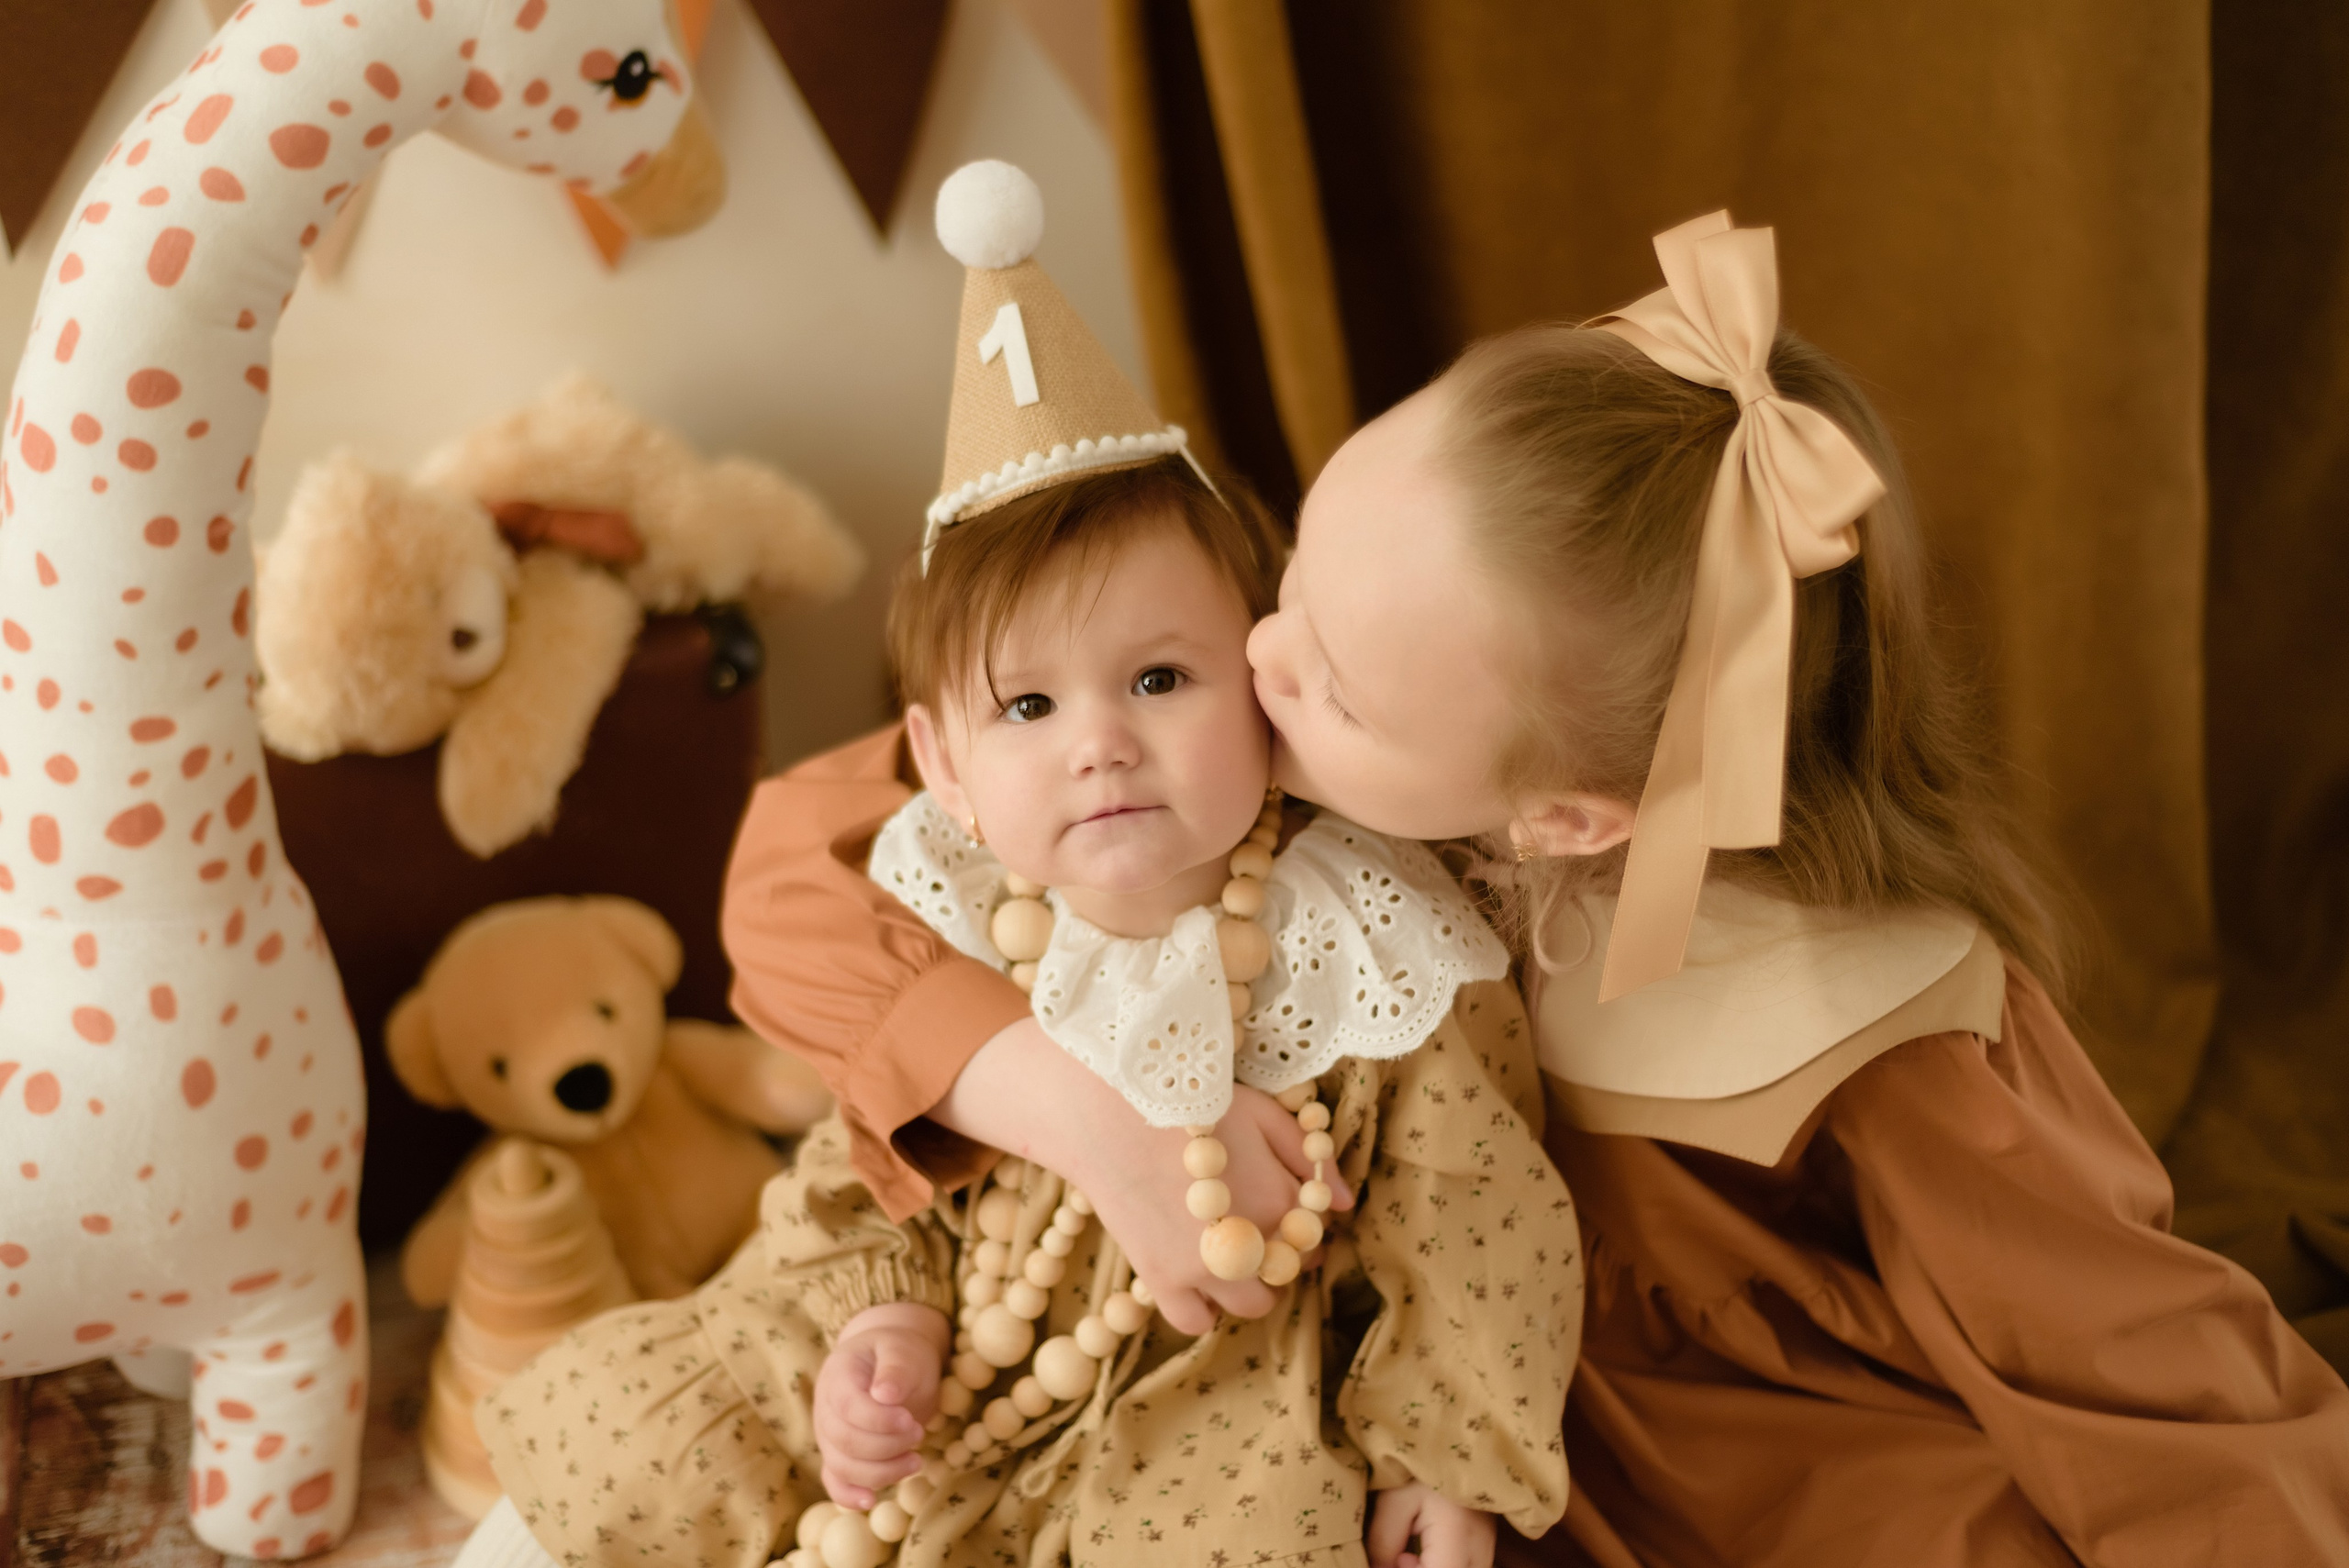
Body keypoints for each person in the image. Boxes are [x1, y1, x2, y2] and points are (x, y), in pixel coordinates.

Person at [721, 209, 2349, 1566]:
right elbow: (796, 861)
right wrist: (1095, 1124)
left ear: (1562, 819)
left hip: (1761, 1484)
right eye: (1291, 579)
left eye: (1333, 682)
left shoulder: (1877, 1031)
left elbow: (2154, 1385)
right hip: (1375, 1430)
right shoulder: (1261, 740)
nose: (1258, 655)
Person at [449, 161, 1574, 1568]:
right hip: (961, 1316)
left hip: (1210, 1381)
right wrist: (882, 1317)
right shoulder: (958, 899)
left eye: (1159, 678)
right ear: (943, 763)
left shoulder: (1373, 944)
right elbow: (864, 1146)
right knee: (685, 1420)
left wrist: (1441, 1460)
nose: (1099, 743)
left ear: (1258, 675)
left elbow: (1476, 1227)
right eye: (1029, 705)